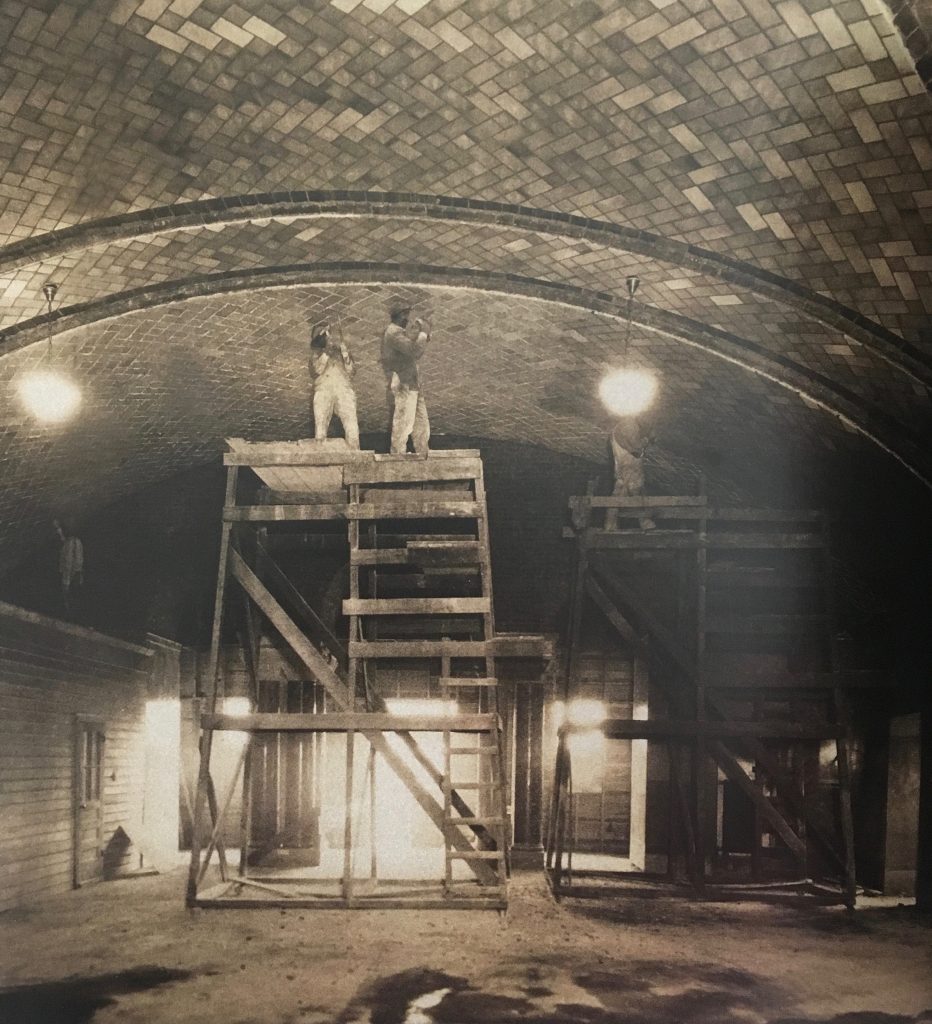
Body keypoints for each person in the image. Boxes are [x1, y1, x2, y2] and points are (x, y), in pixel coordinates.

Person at [381, 307, 430, 455]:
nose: (407, 319)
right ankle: (397, 456)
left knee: (421, 424)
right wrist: (423, 332)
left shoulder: (398, 333)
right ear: (397, 316)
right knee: (403, 424)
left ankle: (423, 454)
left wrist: (420, 333)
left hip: (412, 384)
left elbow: (410, 346)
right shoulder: (393, 332)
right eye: (405, 316)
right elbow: (414, 351)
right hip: (404, 383)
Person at [309, 323, 359, 449]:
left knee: (352, 426)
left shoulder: (340, 352)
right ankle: (321, 458)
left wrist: (346, 354)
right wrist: (326, 354)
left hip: (344, 389)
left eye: (328, 334)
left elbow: (352, 371)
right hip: (323, 391)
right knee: (320, 428)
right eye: (324, 335)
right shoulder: (315, 354)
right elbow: (316, 371)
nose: (328, 338)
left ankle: (355, 456)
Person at [606, 420, 655, 530]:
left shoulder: (619, 427)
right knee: (635, 491)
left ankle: (610, 525)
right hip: (629, 467)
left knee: (620, 493)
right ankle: (645, 522)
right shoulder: (629, 426)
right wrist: (648, 439)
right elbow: (636, 448)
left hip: (624, 467)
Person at [54, 518, 84, 614]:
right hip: (76, 574)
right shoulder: (76, 541)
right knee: (75, 595)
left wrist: (66, 580)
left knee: (68, 597)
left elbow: (68, 562)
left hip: (70, 575)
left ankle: (69, 612)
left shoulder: (70, 543)